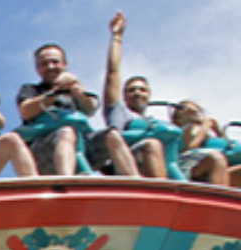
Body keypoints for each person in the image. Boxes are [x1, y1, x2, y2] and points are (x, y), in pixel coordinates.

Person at [17, 42, 138, 176]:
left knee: (112, 135)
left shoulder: (73, 91)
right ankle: (68, 181)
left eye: (55, 62)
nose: (50, 66)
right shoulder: (31, 90)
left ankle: (134, 181)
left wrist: (79, 93)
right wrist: (56, 91)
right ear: (38, 68)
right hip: (44, 150)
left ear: (64, 65)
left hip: (83, 145)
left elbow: (90, 108)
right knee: (67, 132)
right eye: (44, 63)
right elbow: (26, 111)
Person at [101, 12, 168, 178]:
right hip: (125, 162)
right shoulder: (118, 111)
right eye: (131, 90)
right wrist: (117, 38)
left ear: (149, 95)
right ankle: (160, 194)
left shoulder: (154, 123)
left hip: (159, 162)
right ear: (123, 96)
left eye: (142, 90)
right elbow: (113, 72)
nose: (137, 93)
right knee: (152, 145)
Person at [170, 100, 230, 185]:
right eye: (184, 109)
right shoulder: (179, 130)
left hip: (210, 163)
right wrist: (205, 126)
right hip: (185, 164)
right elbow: (191, 147)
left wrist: (218, 131)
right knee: (216, 158)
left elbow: (230, 148)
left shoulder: (200, 130)